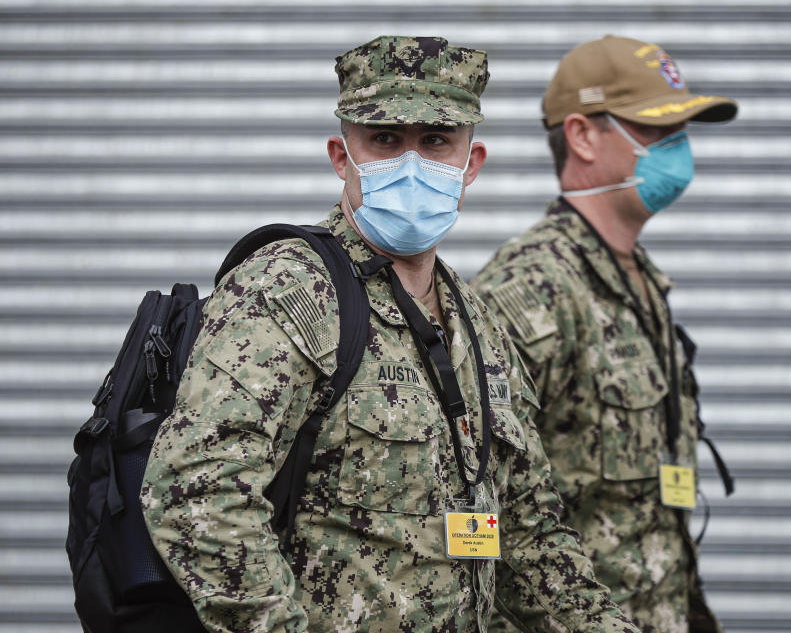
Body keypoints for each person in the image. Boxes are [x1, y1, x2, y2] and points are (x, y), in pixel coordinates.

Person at [140, 35, 641, 633]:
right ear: (340, 155)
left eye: (435, 142)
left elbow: (529, 528)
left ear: (470, 163)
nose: (410, 163)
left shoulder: (476, 324)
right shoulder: (287, 293)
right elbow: (194, 493)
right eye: (384, 140)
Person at [472, 36, 738, 633]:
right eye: (657, 131)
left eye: (682, 131)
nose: (679, 150)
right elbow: (483, 506)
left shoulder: (639, 278)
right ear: (584, 136)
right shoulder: (531, 290)